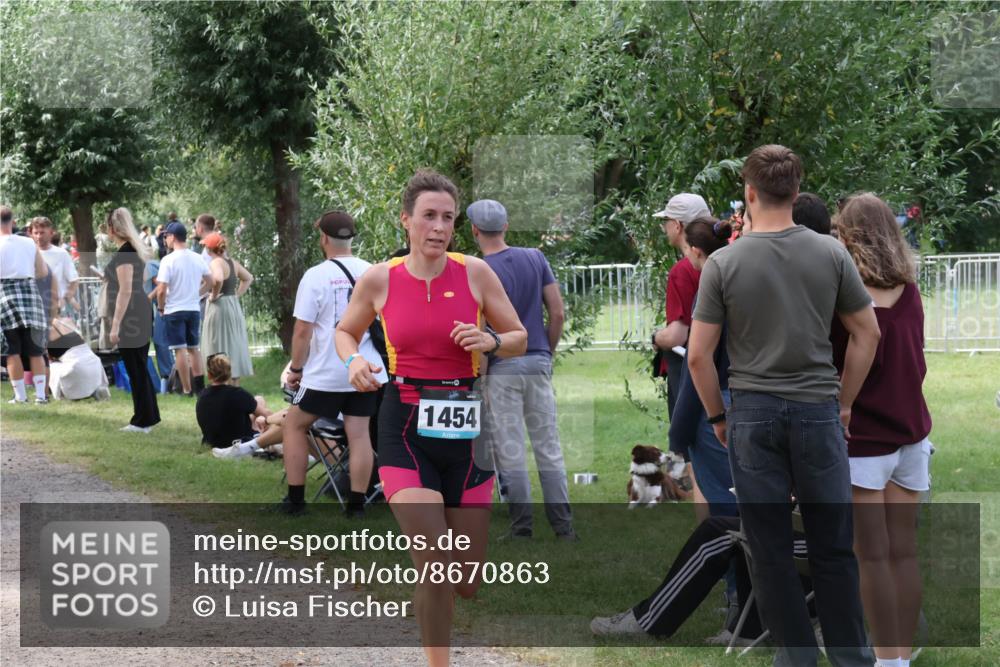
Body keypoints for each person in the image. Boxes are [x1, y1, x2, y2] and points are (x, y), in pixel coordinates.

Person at [687, 144, 881, 667]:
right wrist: (844, 404)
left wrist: (718, 417)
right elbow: (867, 334)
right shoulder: (831, 254)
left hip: (752, 414)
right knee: (833, 548)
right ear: (796, 193)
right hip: (818, 409)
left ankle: (797, 658)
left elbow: (699, 357)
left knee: (769, 550)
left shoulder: (723, 263)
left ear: (749, 193)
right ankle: (852, 659)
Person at [335, 170, 527, 667]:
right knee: (434, 559)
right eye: (429, 216)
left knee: (464, 580)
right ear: (406, 221)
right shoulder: (381, 278)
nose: (439, 227)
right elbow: (345, 333)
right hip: (404, 426)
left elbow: (520, 336)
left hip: (468, 431)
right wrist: (354, 360)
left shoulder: (476, 273)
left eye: (447, 217)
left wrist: (491, 342)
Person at [831, 193, 932, 667]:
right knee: (904, 554)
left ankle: (887, 661)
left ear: (848, 236)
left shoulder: (846, 297)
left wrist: (844, 403)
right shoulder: (910, 291)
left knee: (871, 556)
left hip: (865, 439)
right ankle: (900, 658)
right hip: (912, 432)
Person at [468, 198, 575, 540]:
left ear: (473, 230)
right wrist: (546, 351)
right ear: (506, 226)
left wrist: (482, 378)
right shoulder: (535, 257)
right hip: (537, 359)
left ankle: (521, 528)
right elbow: (557, 313)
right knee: (548, 446)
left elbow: (483, 330)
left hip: (501, 364)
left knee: (510, 449)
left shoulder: (479, 270)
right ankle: (563, 527)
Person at [280, 210, 386, 518]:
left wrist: (297, 369)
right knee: (359, 433)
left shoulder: (315, 275)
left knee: (294, 425)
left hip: (326, 372)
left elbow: (302, 331)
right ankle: (356, 505)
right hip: (365, 369)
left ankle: (296, 500)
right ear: (351, 238)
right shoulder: (373, 271)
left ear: (324, 238)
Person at [668, 217, 737, 520]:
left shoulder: (710, 289)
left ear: (695, 250)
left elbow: (697, 359)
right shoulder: (742, 279)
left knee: (723, 494)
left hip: (716, 401)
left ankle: (732, 565)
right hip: (748, 393)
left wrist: (680, 430)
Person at [651, 192, 711, 418]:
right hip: (721, 368)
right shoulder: (723, 259)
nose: (665, 227)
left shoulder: (682, 271)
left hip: (689, 369)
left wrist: (656, 338)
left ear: (677, 225)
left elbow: (677, 335)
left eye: (666, 221)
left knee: (688, 446)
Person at [104, 207, 161, 432]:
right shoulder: (131, 251)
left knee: (136, 367)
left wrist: (115, 325)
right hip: (139, 309)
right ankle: (147, 417)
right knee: (138, 365)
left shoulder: (125, 253)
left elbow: (125, 290)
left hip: (132, 314)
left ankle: (143, 420)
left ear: (112, 228)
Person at [155, 220, 213, 396]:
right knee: (194, 349)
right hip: (193, 308)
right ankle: (200, 387)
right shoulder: (197, 257)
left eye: (166, 236)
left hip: (174, 309)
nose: (165, 239)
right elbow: (210, 281)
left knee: (179, 349)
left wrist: (161, 307)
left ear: (172, 237)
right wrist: (197, 294)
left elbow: (162, 289)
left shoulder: (167, 260)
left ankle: (187, 389)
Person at [1, 205, 51, 404]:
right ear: (12, 221)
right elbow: (42, 272)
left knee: (11, 350)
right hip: (30, 295)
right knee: (35, 350)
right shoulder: (29, 242)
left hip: (4, 295)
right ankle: (40, 396)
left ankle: (20, 397)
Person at [196, 353, 282, 456]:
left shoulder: (202, 396)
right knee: (260, 408)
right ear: (229, 374)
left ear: (209, 375)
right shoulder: (238, 394)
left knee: (258, 400)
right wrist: (277, 423)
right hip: (238, 441)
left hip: (212, 443)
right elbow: (266, 414)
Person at [201, 232, 254, 382]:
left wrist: (213, 295)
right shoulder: (233, 262)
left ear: (209, 249)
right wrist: (237, 295)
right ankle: (234, 383)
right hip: (233, 305)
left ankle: (221, 382)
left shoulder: (216, 262)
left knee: (217, 342)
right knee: (233, 343)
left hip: (220, 307)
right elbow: (249, 278)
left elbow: (217, 279)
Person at [46, 317, 109, 401]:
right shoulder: (68, 321)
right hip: (95, 365)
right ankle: (94, 389)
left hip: (76, 368)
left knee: (51, 366)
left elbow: (47, 358)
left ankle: (53, 393)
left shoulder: (47, 332)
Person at [31, 217, 79, 315]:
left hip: (58, 309)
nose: (39, 236)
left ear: (51, 233)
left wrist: (65, 300)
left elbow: (74, 281)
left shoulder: (61, 254)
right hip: (35, 309)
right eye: (36, 233)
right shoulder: (28, 253)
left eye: (42, 232)